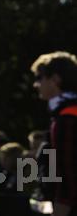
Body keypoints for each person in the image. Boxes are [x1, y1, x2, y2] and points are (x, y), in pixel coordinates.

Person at [31, 51, 77, 216]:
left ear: (55, 79)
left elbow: (67, 179)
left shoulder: (66, 119)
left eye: (39, 78)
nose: (36, 85)